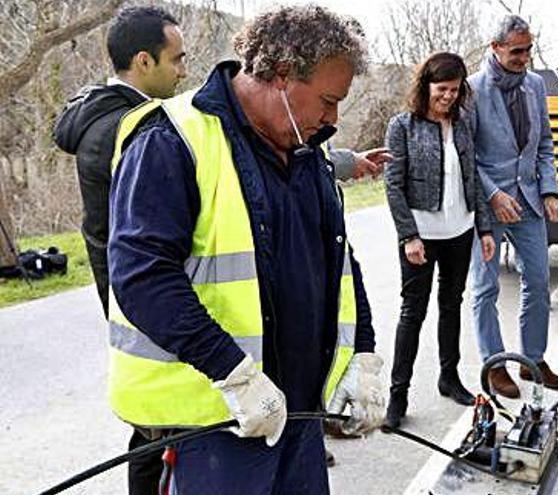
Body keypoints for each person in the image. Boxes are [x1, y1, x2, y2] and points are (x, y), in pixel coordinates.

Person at [107, 6, 384, 493]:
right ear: (280, 75)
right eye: (327, 100)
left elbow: (339, 259)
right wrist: (233, 374)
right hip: (221, 423)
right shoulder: (171, 138)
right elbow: (142, 276)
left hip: (297, 414)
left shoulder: (307, 149)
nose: (333, 119)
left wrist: (363, 355)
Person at [51, 7, 186, 494]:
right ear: (144, 61)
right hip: (143, 290)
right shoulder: (130, 127)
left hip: (125, 286)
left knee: (158, 418)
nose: (184, 70)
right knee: (157, 423)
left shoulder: (108, 115)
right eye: (177, 59)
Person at [382, 52, 496, 429]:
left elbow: (473, 177)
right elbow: (393, 186)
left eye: (455, 89)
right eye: (442, 89)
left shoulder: (462, 124)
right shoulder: (402, 126)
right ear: (426, 86)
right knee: (412, 313)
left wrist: (485, 229)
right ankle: (397, 397)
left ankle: (449, 378)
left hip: (459, 232)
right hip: (421, 237)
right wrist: (409, 236)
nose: (448, 96)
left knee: (452, 304)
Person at [468, 15, 558, 399]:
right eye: (516, 51)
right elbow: (467, 156)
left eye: (528, 50)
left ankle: (533, 360)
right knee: (484, 288)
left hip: (528, 202)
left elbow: (544, 144)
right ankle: (494, 365)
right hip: (489, 204)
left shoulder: (537, 85)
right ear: (495, 48)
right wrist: (493, 194)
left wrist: (549, 191)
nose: (524, 58)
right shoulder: (472, 90)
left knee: (539, 282)